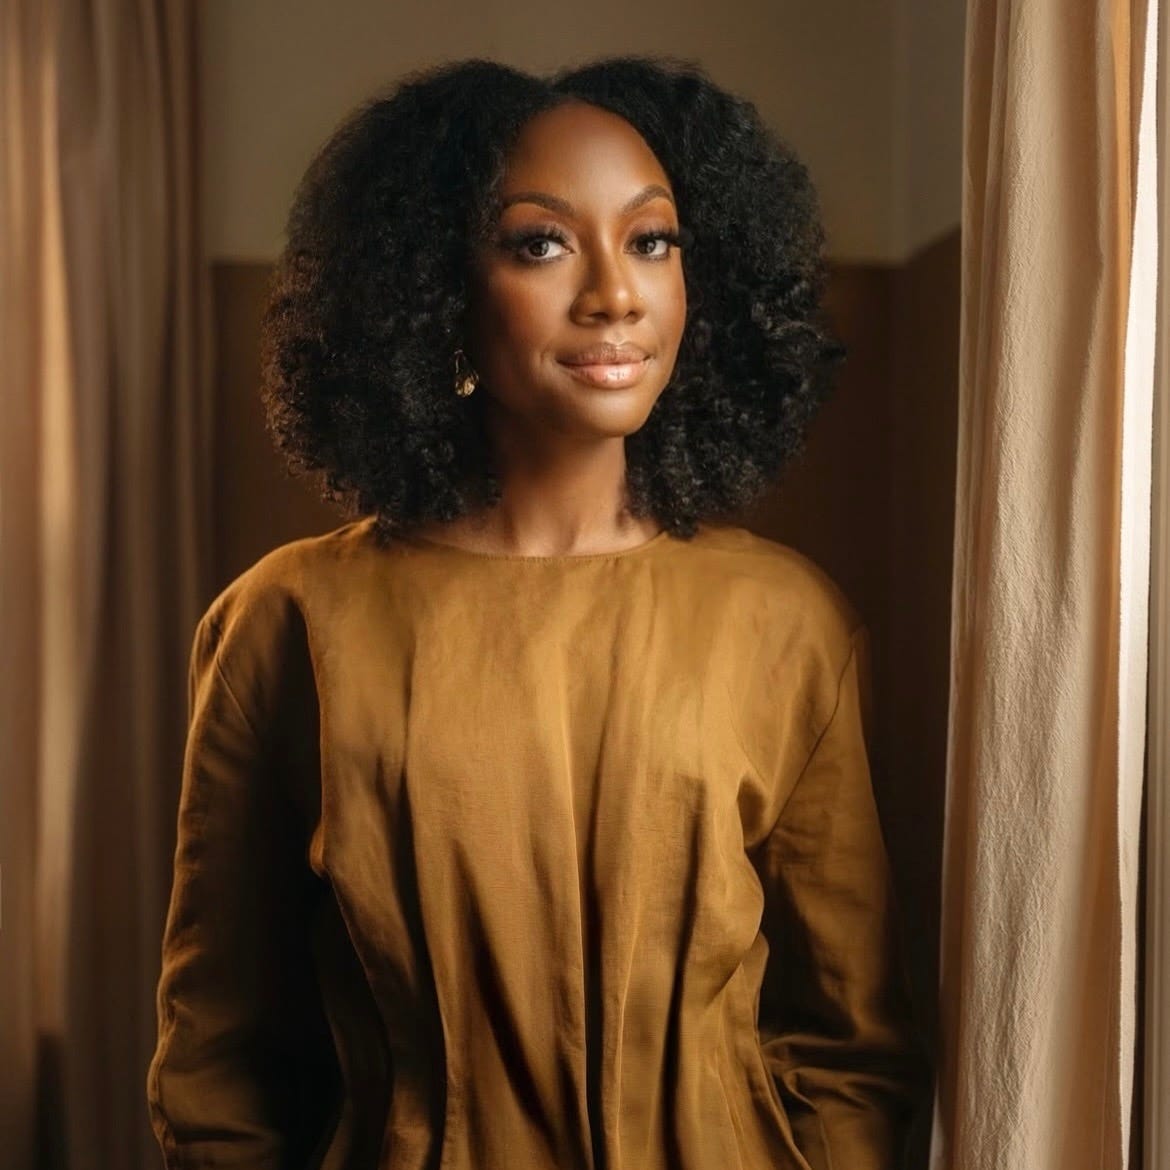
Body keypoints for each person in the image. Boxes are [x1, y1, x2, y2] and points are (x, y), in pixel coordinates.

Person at [146, 55, 930, 1170]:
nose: (615, 291)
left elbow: (852, 1043)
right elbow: (217, 1057)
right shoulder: (287, 623)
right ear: (435, 290)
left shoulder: (788, 622)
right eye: (540, 242)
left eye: (653, 240)